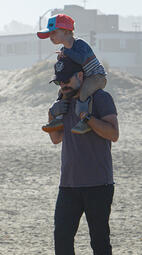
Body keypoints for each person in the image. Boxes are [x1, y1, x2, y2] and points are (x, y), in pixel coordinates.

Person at [46, 56, 119, 255]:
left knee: (100, 242)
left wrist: (86, 117)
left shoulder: (101, 98)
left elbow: (113, 134)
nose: (63, 85)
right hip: (68, 185)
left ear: (80, 75)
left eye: (66, 80)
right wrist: (52, 113)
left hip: (98, 184)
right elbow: (56, 138)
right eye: (59, 81)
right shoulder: (63, 100)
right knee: (62, 239)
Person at [38, 14, 107, 134]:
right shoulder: (65, 49)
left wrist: (67, 53)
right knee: (62, 92)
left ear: (66, 31)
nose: (51, 36)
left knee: (84, 92)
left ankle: (84, 121)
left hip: (97, 77)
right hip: (85, 77)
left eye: (54, 32)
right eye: (50, 34)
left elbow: (81, 60)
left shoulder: (79, 44)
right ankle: (59, 119)